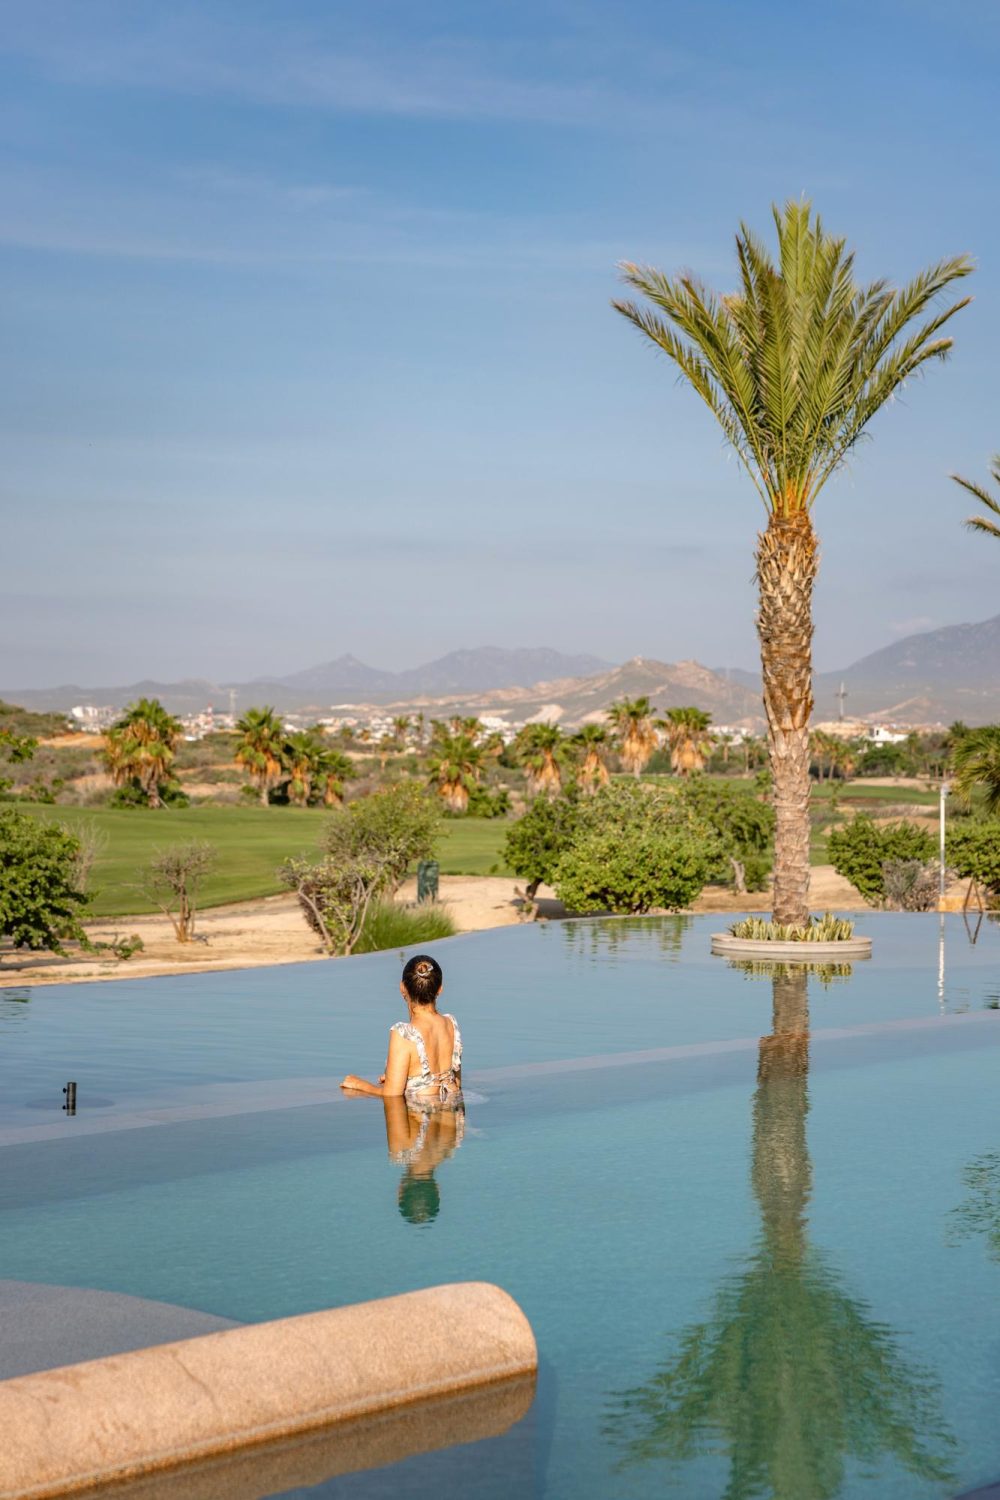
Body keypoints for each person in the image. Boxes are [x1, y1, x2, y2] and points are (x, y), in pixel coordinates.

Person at [340, 954, 463, 1102]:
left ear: (402, 988)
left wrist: (359, 1084)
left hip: (421, 1117)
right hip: (452, 1116)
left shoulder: (404, 1034)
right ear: (440, 989)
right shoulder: (451, 1023)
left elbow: (392, 1094)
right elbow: (456, 1083)